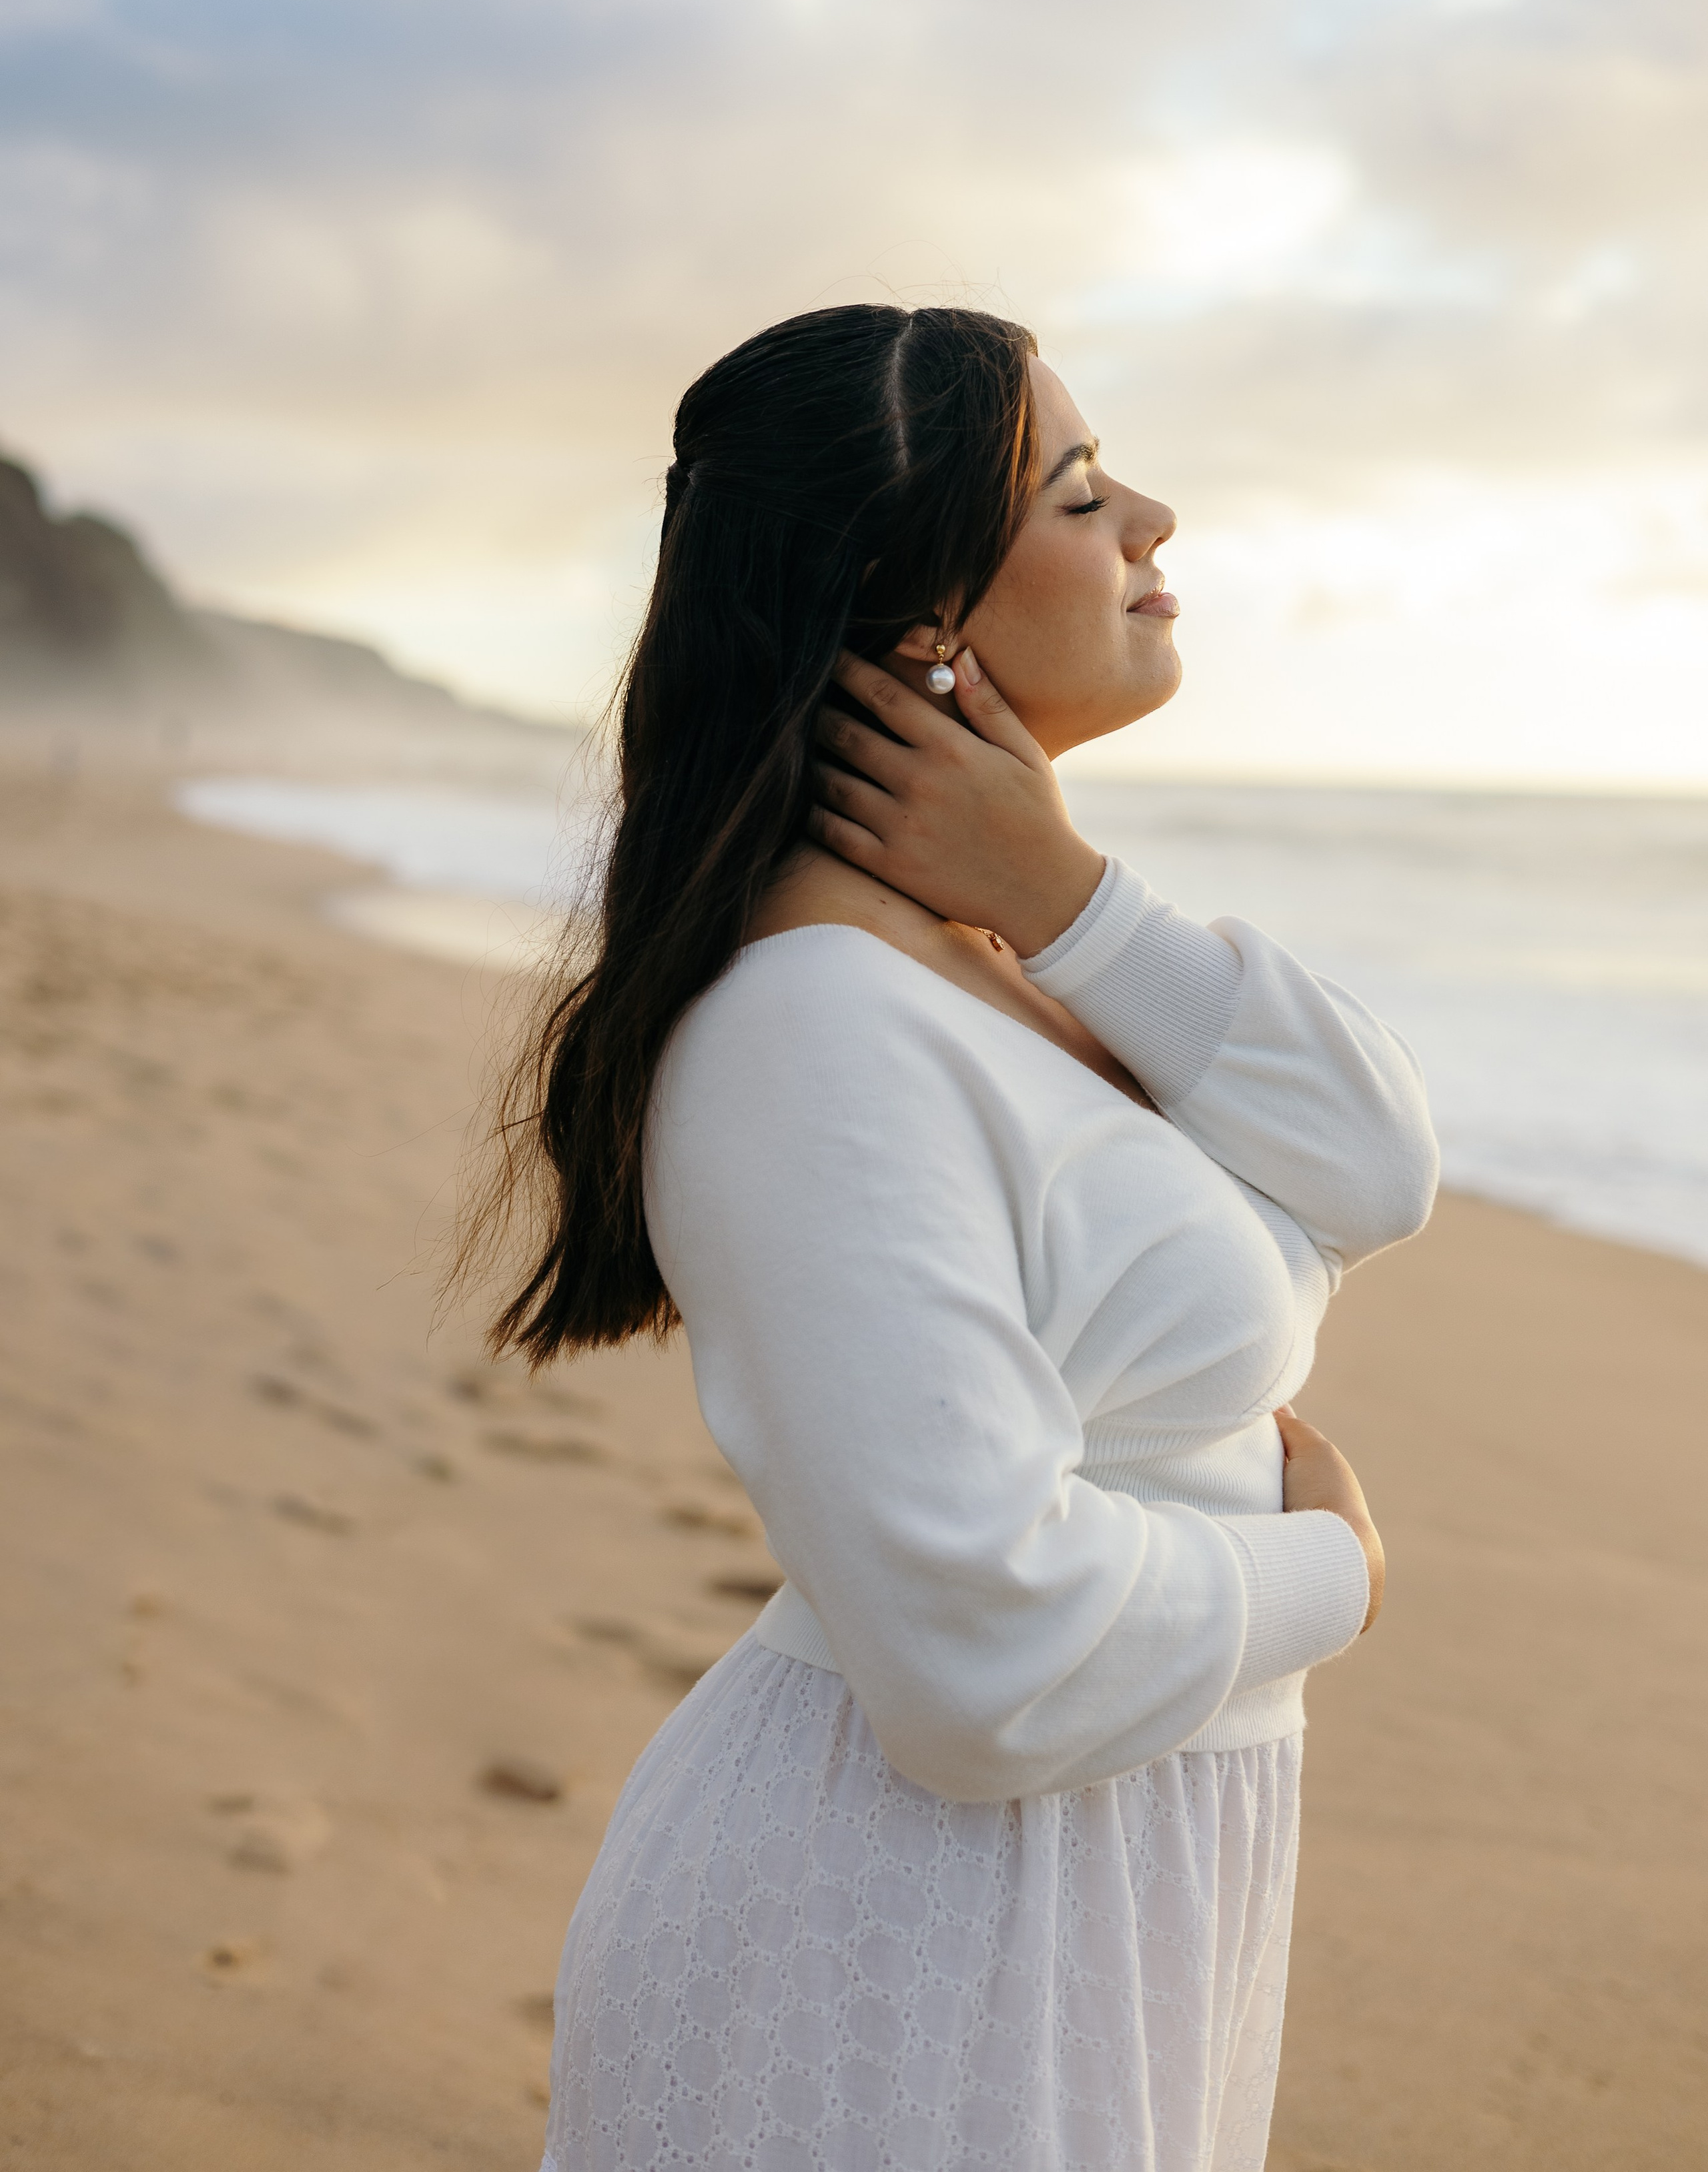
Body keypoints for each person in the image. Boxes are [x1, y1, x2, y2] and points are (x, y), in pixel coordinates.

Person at [474, 304, 1438, 2172]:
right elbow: (977, 1655)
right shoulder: (810, 1033)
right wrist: (1339, 1578)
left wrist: (1072, 897)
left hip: (1097, 1895)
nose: (1154, 519)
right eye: (1081, 493)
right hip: (925, 1929)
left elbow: (1374, 1170)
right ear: (921, 614)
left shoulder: (1009, 965)